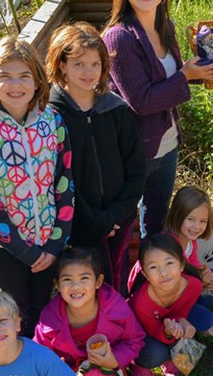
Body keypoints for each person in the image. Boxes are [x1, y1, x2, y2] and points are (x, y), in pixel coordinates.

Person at [103, 0, 213, 239]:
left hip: (167, 145)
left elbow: (175, 77)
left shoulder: (164, 27)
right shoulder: (119, 37)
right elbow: (142, 101)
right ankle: (121, 284)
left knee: (156, 227)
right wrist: (186, 76)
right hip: (134, 153)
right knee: (120, 233)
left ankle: (153, 284)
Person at [0, 37, 74, 335]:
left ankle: (43, 369)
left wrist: (54, 243)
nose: (16, 85)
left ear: (38, 81)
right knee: (15, 314)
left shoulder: (52, 120)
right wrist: (24, 251)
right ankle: (18, 374)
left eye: (24, 76)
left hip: (47, 240)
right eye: (6, 76)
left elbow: (64, 182)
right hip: (6, 248)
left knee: (42, 309)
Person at [46, 22, 145, 293]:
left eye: (95, 64)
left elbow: (136, 167)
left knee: (115, 278)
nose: (88, 72)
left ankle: (116, 330)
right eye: (78, 64)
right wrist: (95, 222)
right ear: (61, 64)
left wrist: (116, 214)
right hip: (76, 224)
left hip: (118, 217)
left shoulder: (114, 109)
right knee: (85, 286)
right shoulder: (50, 116)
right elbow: (54, 177)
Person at [34, 248, 147, 376]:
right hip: (70, 367)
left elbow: (135, 339)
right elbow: (40, 354)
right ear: (57, 284)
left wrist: (114, 359)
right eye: (67, 280)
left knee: (102, 374)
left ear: (98, 281)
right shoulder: (50, 318)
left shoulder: (116, 308)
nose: (76, 286)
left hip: (107, 362)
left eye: (84, 278)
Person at [127, 234, 213, 376]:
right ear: (145, 274)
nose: (163, 273)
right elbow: (155, 331)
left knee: (201, 321)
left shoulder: (194, 286)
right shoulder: (141, 303)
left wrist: (181, 321)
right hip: (142, 330)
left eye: (169, 263)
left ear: (182, 264)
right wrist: (168, 331)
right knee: (156, 354)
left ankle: (171, 357)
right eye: (153, 267)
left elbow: (182, 311)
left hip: (167, 322)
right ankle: (139, 365)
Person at [162, 186, 213, 304]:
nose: (197, 227)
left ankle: (193, 309)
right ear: (178, 215)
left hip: (185, 285)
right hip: (167, 295)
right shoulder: (169, 245)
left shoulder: (190, 241)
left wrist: (204, 273)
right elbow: (173, 280)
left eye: (203, 221)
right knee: (206, 318)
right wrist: (200, 280)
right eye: (191, 219)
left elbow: (193, 262)